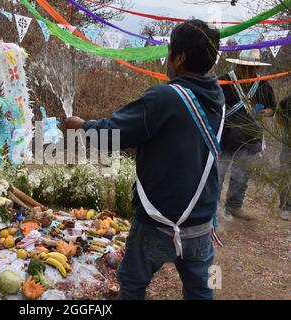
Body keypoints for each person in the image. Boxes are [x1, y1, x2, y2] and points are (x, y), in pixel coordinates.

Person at [65, 20, 223, 300]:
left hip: (158, 224)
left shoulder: (165, 97)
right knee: (201, 291)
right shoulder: (217, 100)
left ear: (180, 57)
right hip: (201, 225)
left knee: (132, 284)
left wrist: (80, 125)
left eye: (170, 51)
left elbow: (112, 135)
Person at [218, 49, 276, 222]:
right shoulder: (223, 81)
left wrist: (265, 112)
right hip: (225, 138)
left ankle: (234, 206)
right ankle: (213, 207)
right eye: (245, 68)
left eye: (253, 69)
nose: (250, 72)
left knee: (241, 175)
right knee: (218, 174)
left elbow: (272, 108)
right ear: (238, 65)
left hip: (250, 139)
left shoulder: (263, 85)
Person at [277, 95, 291, 221]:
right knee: (285, 175)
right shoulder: (286, 101)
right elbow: (279, 119)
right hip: (288, 146)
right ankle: (286, 207)